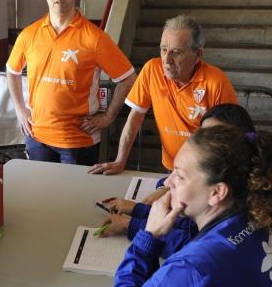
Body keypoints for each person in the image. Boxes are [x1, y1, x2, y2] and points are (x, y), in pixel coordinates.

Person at [110, 126, 272, 287]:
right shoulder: (258, 223)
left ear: (216, 192)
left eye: (180, 176)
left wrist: (149, 238)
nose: (167, 183)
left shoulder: (196, 269)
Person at [6, 0, 136, 166]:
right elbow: (12, 71)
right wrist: (20, 109)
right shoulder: (29, 35)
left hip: (78, 142)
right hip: (37, 137)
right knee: (37, 197)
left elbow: (128, 78)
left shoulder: (95, 38)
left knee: (74, 198)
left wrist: (108, 117)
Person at [98, 103, 254, 258]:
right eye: (203, 134)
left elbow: (184, 244)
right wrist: (136, 209)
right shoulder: (231, 200)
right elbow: (188, 226)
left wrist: (136, 228)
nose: (166, 183)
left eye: (214, 137)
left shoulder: (205, 255)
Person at [88, 15, 237, 175]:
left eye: (176, 52)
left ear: (198, 54)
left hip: (204, 171)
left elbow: (225, 138)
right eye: (163, 50)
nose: (167, 60)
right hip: (171, 167)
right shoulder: (152, 70)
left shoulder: (216, 82)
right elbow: (134, 119)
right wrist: (120, 160)